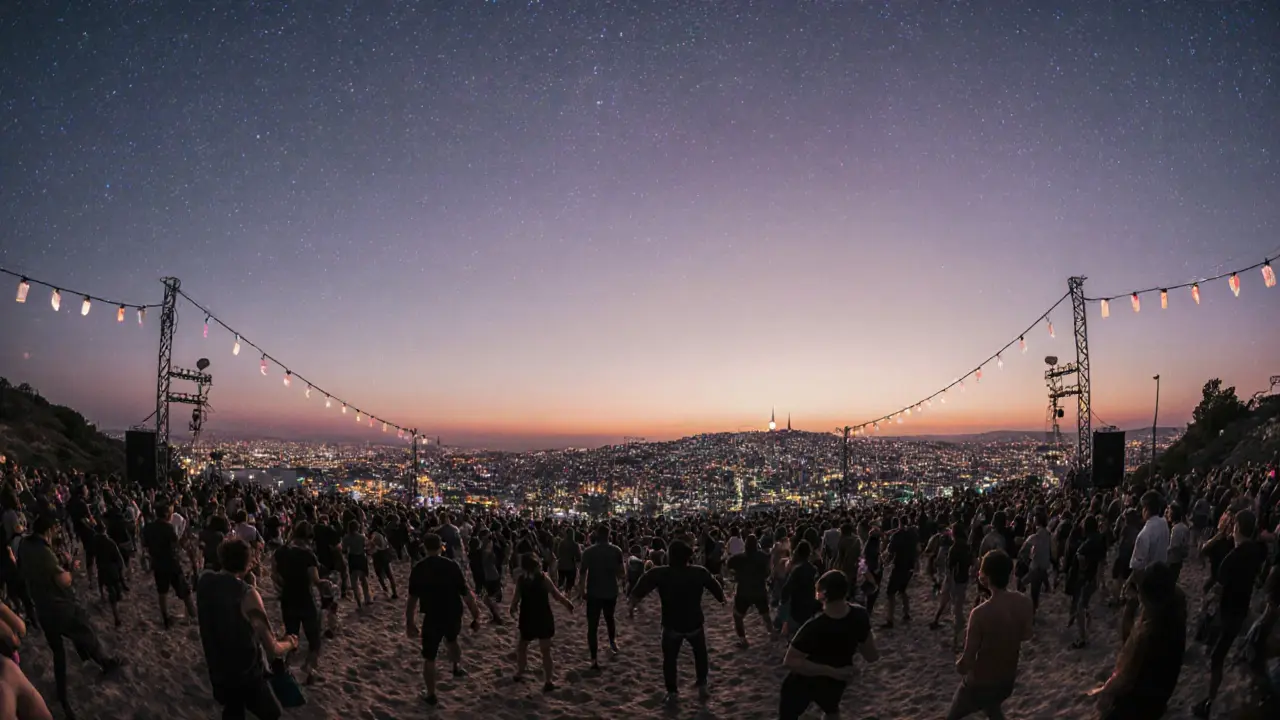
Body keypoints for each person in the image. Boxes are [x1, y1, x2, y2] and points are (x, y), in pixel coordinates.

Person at [18, 514, 121, 719]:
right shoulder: (44, 553)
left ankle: (62, 693)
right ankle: (104, 662)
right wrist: (70, 567)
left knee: (58, 653)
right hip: (60, 607)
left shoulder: (24, 546)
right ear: (47, 531)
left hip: (42, 609)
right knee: (85, 631)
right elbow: (63, 581)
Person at [197, 537, 299, 720]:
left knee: (233, 709)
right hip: (246, 673)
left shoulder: (205, 581)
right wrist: (290, 642)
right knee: (273, 713)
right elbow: (272, 647)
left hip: (217, 667)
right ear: (247, 563)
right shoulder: (247, 594)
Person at [629, 539, 726, 705]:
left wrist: (633, 604)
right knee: (700, 655)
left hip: (672, 623)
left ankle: (672, 692)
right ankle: (702, 685)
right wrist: (722, 599)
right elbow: (715, 586)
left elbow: (641, 587)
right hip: (694, 622)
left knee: (670, 660)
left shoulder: (660, 573)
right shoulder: (699, 572)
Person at [1194, 509, 1269, 718]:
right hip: (1243, 609)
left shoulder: (1230, 560)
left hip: (1229, 614)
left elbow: (1215, 594)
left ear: (1235, 528)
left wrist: (1205, 605)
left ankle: (1209, 702)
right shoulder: (1256, 550)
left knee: (1217, 657)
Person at [1088, 563, 1186, 720]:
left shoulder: (1150, 635)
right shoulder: (1176, 608)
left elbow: (1127, 674)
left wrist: (1106, 692)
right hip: (1161, 694)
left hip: (1137, 702)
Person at [780, 570, 879, 720]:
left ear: (822, 594)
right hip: (836, 681)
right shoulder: (860, 616)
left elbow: (790, 661)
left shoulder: (814, 627)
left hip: (804, 681)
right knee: (831, 711)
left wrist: (830, 671)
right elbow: (872, 656)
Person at [946, 550, 1033, 720]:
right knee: (992, 706)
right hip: (1007, 680)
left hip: (981, 683)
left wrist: (958, 664)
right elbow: (1027, 635)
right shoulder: (1025, 602)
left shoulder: (980, 613)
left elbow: (968, 661)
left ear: (985, 576)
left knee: (954, 715)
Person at [405, 533, 482, 707]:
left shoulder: (419, 568)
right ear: (441, 547)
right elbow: (466, 593)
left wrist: (410, 622)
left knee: (429, 657)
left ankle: (431, 694)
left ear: (424, 547)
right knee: (452, 640)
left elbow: (412, 599)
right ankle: (456, 667)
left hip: (432, 614)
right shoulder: (451, 566)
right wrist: (476, 614)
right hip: (453, 611)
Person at [272, 522, 328, 684]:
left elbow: (274, 575)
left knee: (291, 636)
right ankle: (308, 669)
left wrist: (283, 586)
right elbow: (316, 581)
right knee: (314, 640)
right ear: (309, 537)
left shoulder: (280, 552)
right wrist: (326, 584)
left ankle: (286, 670)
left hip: (287, 598)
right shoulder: (307, 555)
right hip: (305, 599)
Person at [510, 553, 575, 691]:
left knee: (523, 647)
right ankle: (548, 680)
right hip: (542, 616)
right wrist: (567, 604)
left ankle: (520, 672)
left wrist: (513, 607)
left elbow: (516, 598)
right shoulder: (543, 578)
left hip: (528, 617)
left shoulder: (522, 580)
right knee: (544, 650)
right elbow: (556, 595)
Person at [1122, 491, 1169, 642]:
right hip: (1162, 574)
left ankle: (1129, 642)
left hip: (1148, 580)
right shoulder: (1164, 524)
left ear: (1147, 509)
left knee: (1132, 613)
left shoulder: (1144, 534)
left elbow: (1137, 566)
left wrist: (1132, 584)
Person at [142, 503, 197, 629]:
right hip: (171, 563)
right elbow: (175, 545)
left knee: (162, 592)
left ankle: (165, 618)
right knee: (185, 590)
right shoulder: (168, 528)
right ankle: (194, 616)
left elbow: (144, 544)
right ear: (166, 514)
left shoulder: (148, 528)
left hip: (157, 563)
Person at [578, 524, 624, 670]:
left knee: (592, 626)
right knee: (610, 618)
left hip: (593, 592)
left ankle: (593, 659)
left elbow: (583, 573)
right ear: (609, 534)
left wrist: (581, 590)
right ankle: (612, 642)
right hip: (610, 591)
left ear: (596, 535)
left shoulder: (588, 552)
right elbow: (621, 574)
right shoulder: (616, 551)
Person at [727, 533, 774, 648]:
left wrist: (735, 574)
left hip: (743, 591)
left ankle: (743, 641)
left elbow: (728, 564)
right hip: (759, 590)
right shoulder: (764, 556)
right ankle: (772, 635)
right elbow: (768, 572)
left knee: (738, 616)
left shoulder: (739, 558)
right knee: (765, 614)